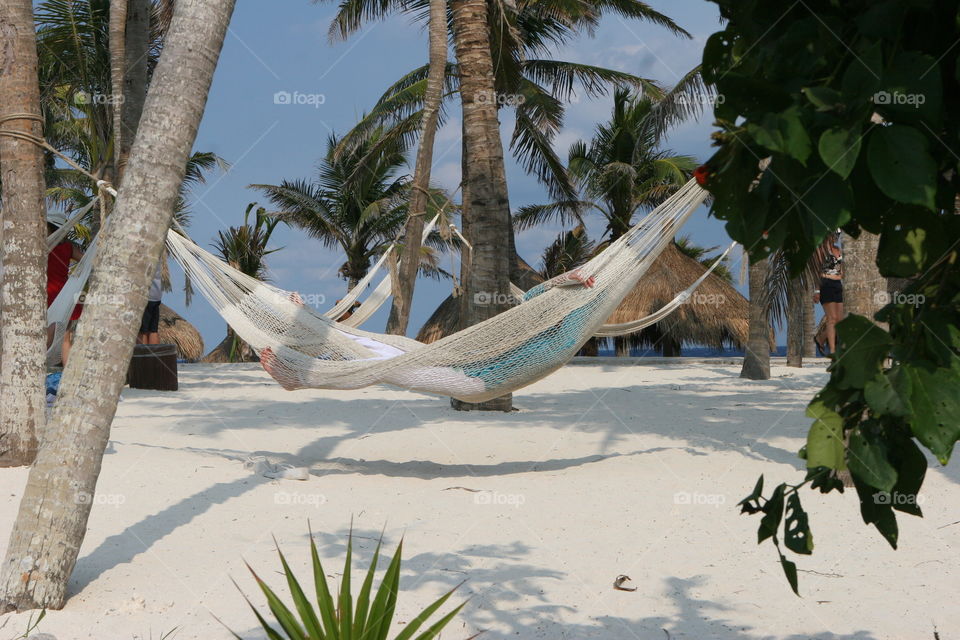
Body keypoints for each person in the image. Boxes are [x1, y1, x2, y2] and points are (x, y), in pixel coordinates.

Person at [46, 211, 84, 365]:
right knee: (65, 338)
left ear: (51, 228)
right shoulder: (68, 248)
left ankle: (37, 368)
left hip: (48, 293)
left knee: (47, 336)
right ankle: (67, 371)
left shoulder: (42, 247)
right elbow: (86, 260)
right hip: (65, 293)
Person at [813, 231, 843, 355]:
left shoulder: (838, 249)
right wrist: (816, 290)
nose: (836, 237)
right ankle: (832, 350)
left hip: (838, 284)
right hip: (825, 283)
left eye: (838, 235)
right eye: (834, 235)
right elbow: (816, 271)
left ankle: (821, 338)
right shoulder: (821, 250)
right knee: (832, 318)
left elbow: (841, 268)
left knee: (840, 319)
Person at [138, 262, 163, 344]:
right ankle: (153, 356)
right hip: (156, 296)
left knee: (142, 331)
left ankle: (143, 355)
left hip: (145, 296)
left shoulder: (145, 254)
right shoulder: (157, 255)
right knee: (153, 330)